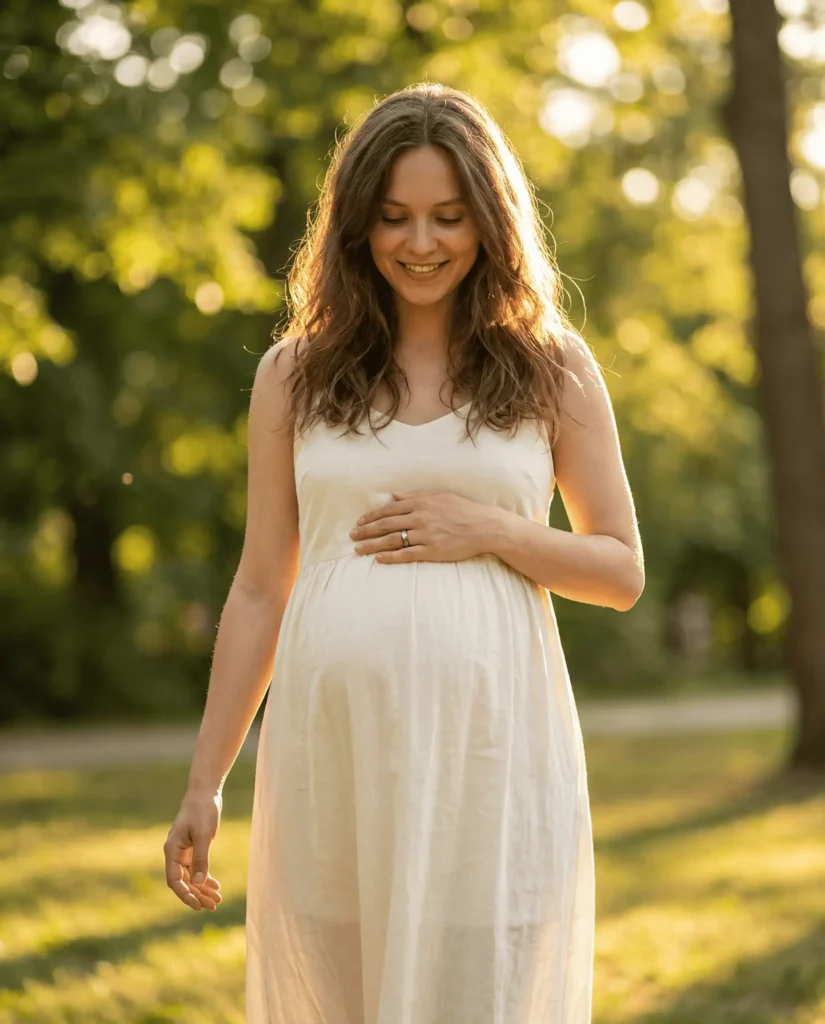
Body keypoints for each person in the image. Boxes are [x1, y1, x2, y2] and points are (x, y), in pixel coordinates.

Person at [163, 81, 644, 1024]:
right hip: (332, 758)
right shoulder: (294, 373)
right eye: (393, 218)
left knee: (482, 996)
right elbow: (262, 585)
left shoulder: (551, 364)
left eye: (447, 217)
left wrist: (495, 531)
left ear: (489, 222)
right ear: (354, 228)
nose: (420, 243)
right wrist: (203, 783)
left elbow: (621, 569)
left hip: (492, 754)